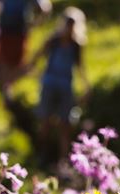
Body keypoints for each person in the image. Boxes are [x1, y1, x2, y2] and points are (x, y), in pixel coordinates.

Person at [29, 7, 90, 163]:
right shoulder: (53, 41)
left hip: (65, 86)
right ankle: (41, 153)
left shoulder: (76, 45)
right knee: (46, 121)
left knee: (65, 124)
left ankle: (64, 159)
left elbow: (80, 66)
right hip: (49, 83)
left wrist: (86, 86)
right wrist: (32, 72)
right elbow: (37, 57)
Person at [0, 0, 52, 95]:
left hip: (17, 31)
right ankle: (7, 86)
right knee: (5, 59)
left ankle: (9, 85)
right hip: (7, 31)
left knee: (15, 60)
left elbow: (44, 7)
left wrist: (36, 22)